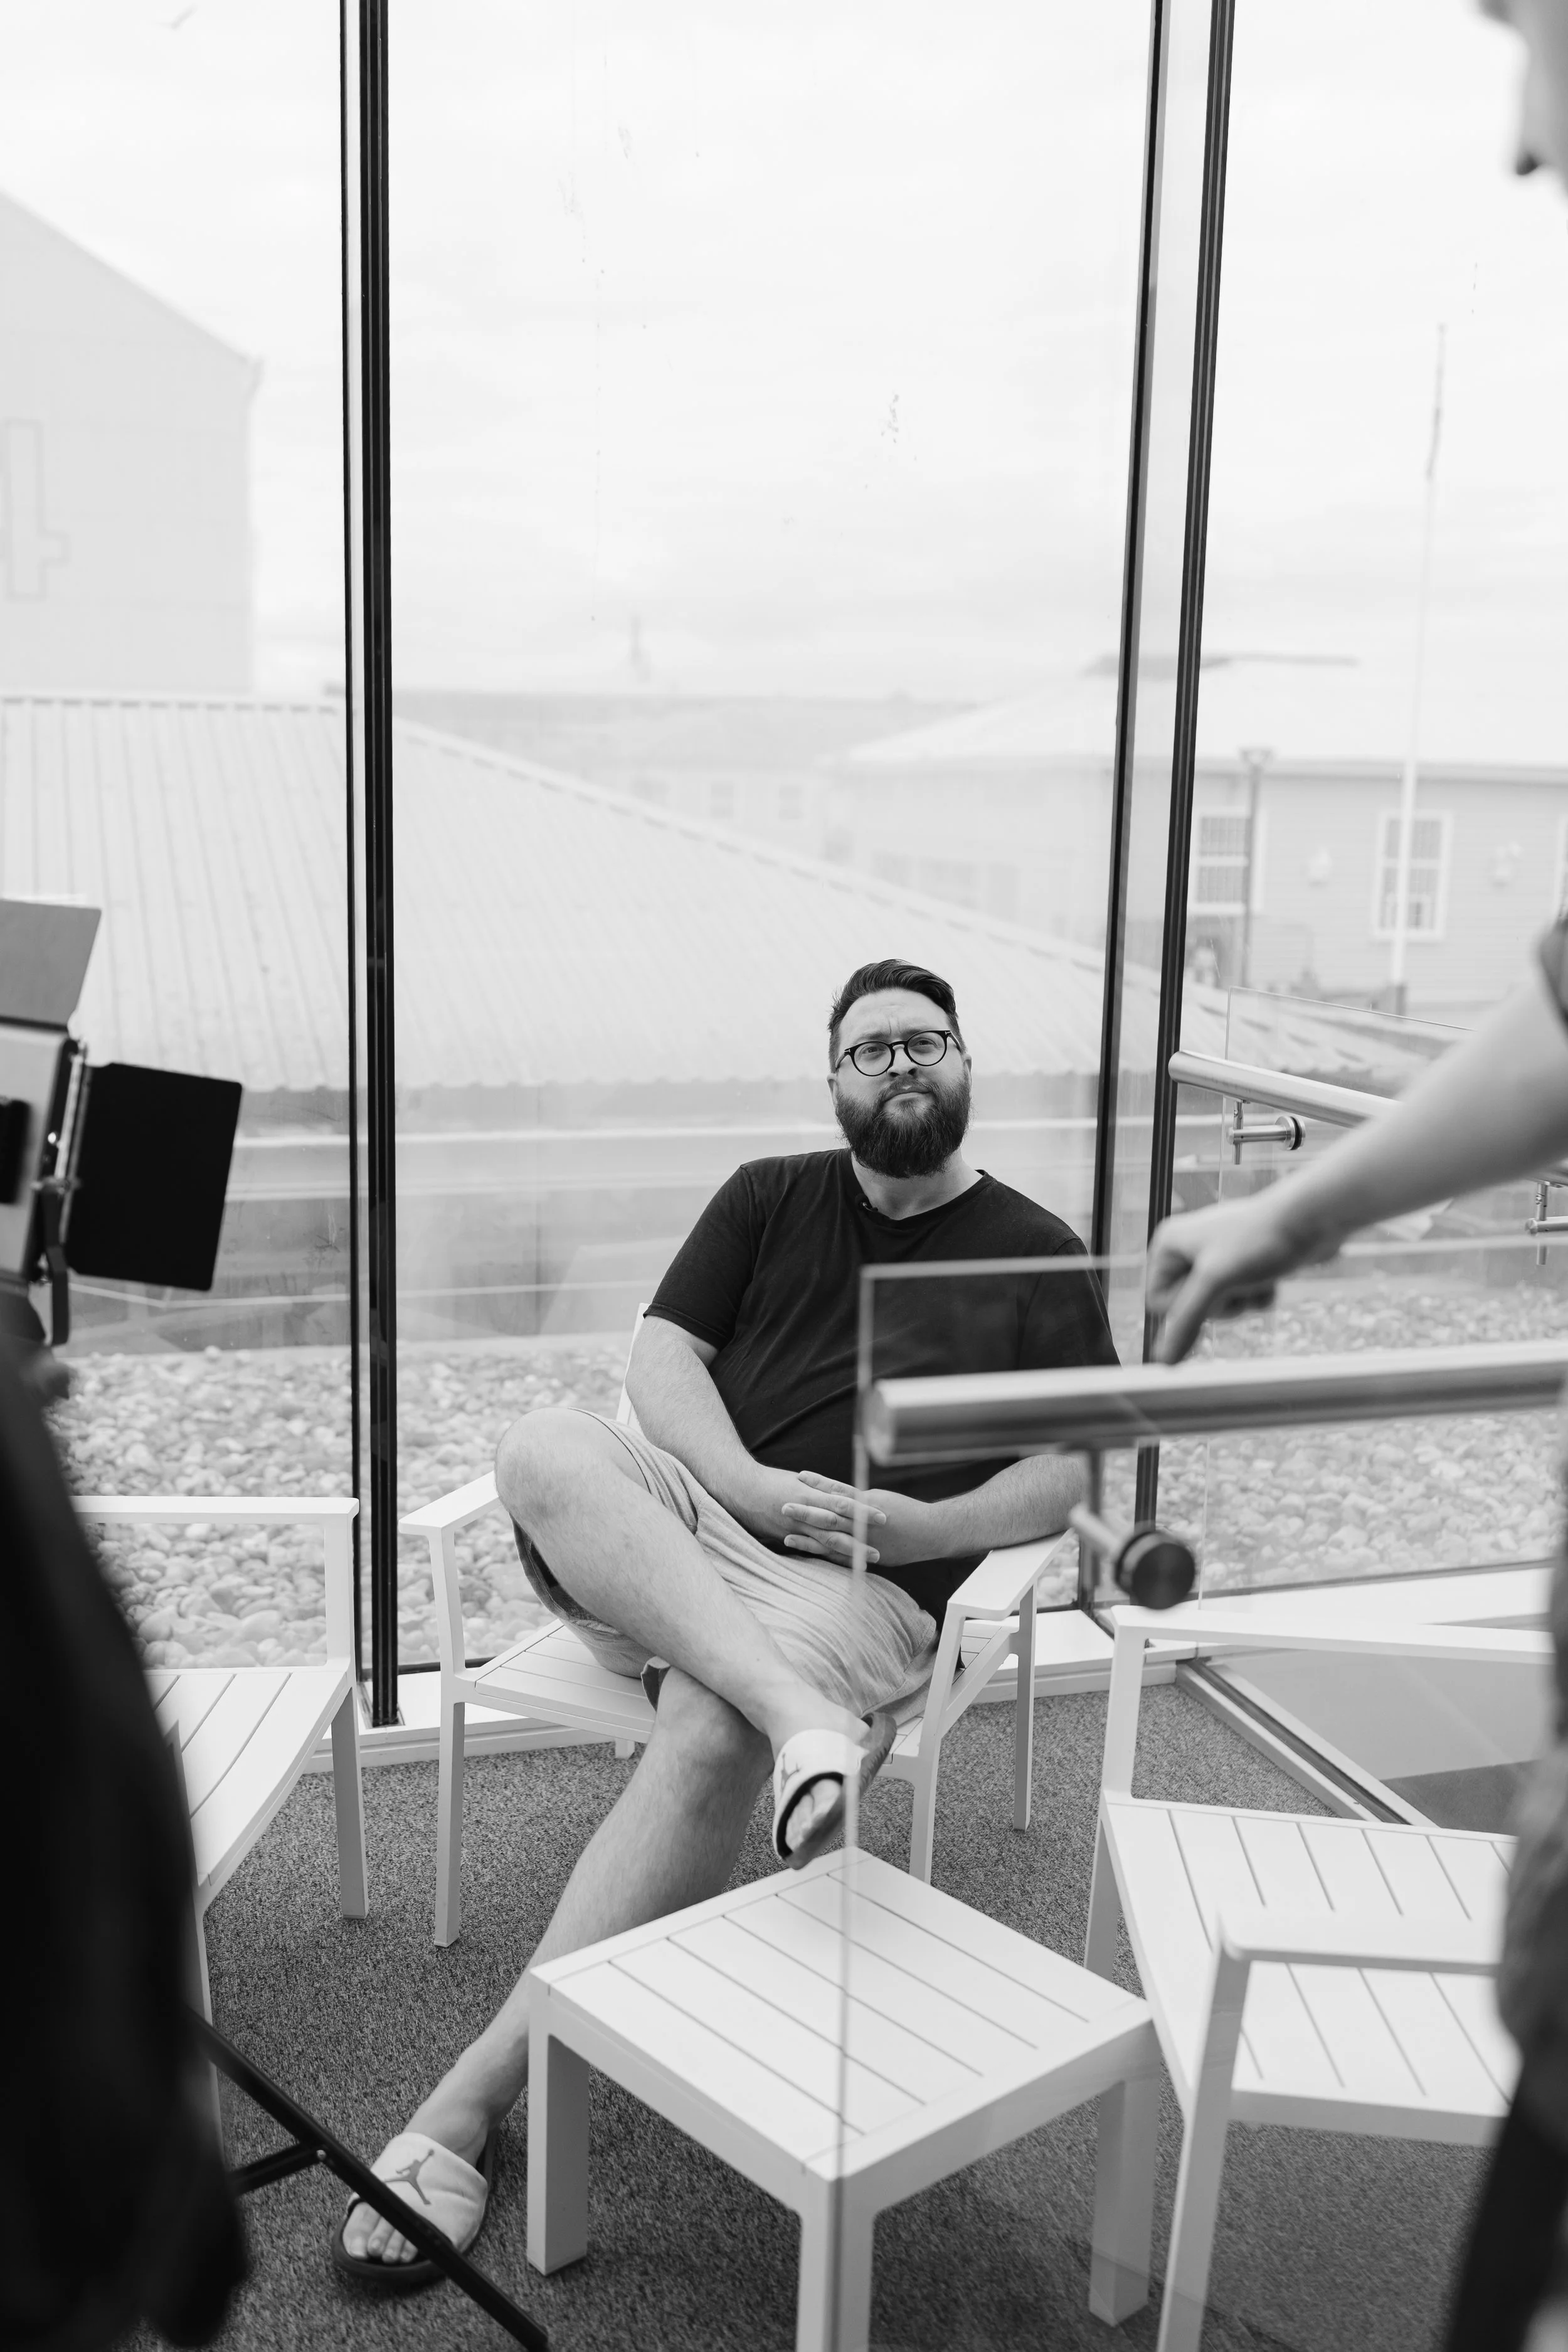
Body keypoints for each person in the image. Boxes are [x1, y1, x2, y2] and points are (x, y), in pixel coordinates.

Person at [337, 956, 1116, 2280]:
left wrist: (925, 1531)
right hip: (683, 1538)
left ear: (964, 1063)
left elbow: (1076, 1462)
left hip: (855, 1593)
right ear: (833, 1082)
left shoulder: (1035, 1250)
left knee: (701, 1736)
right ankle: (799, 1720)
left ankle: (466, 2101)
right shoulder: (769, 1195)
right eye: (870, 1050)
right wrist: (744, 1483)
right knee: (540, 1446)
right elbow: (658, 1357)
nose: (901, 1067)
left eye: (924, 1042)